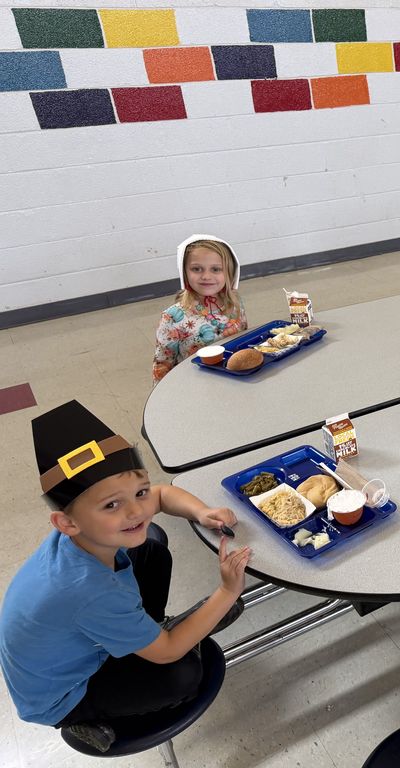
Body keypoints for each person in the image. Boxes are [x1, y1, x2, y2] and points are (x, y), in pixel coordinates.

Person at [0, 401, 251, 752]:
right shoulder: (89, 590)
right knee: (183, 675)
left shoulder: (79, 537)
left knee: (151, 549)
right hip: (65, 691)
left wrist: (202, 510)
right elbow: (165, 654)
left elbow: (161, 495)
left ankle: (148, 630)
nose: (136, 510)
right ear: (66, 523)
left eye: (139, 492)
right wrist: (226, 591)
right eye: (111, 505)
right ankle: (82, 719)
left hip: (71, 642)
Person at [152, 235, 247, 384]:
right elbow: (162, 367)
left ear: (229, 273)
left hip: (233, 380)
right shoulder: (172, 317)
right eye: (196, 269)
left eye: (216, 269)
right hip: (194, 386)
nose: (206, 276)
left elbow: (244, 341)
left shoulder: (235, 303)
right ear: (184, 272)